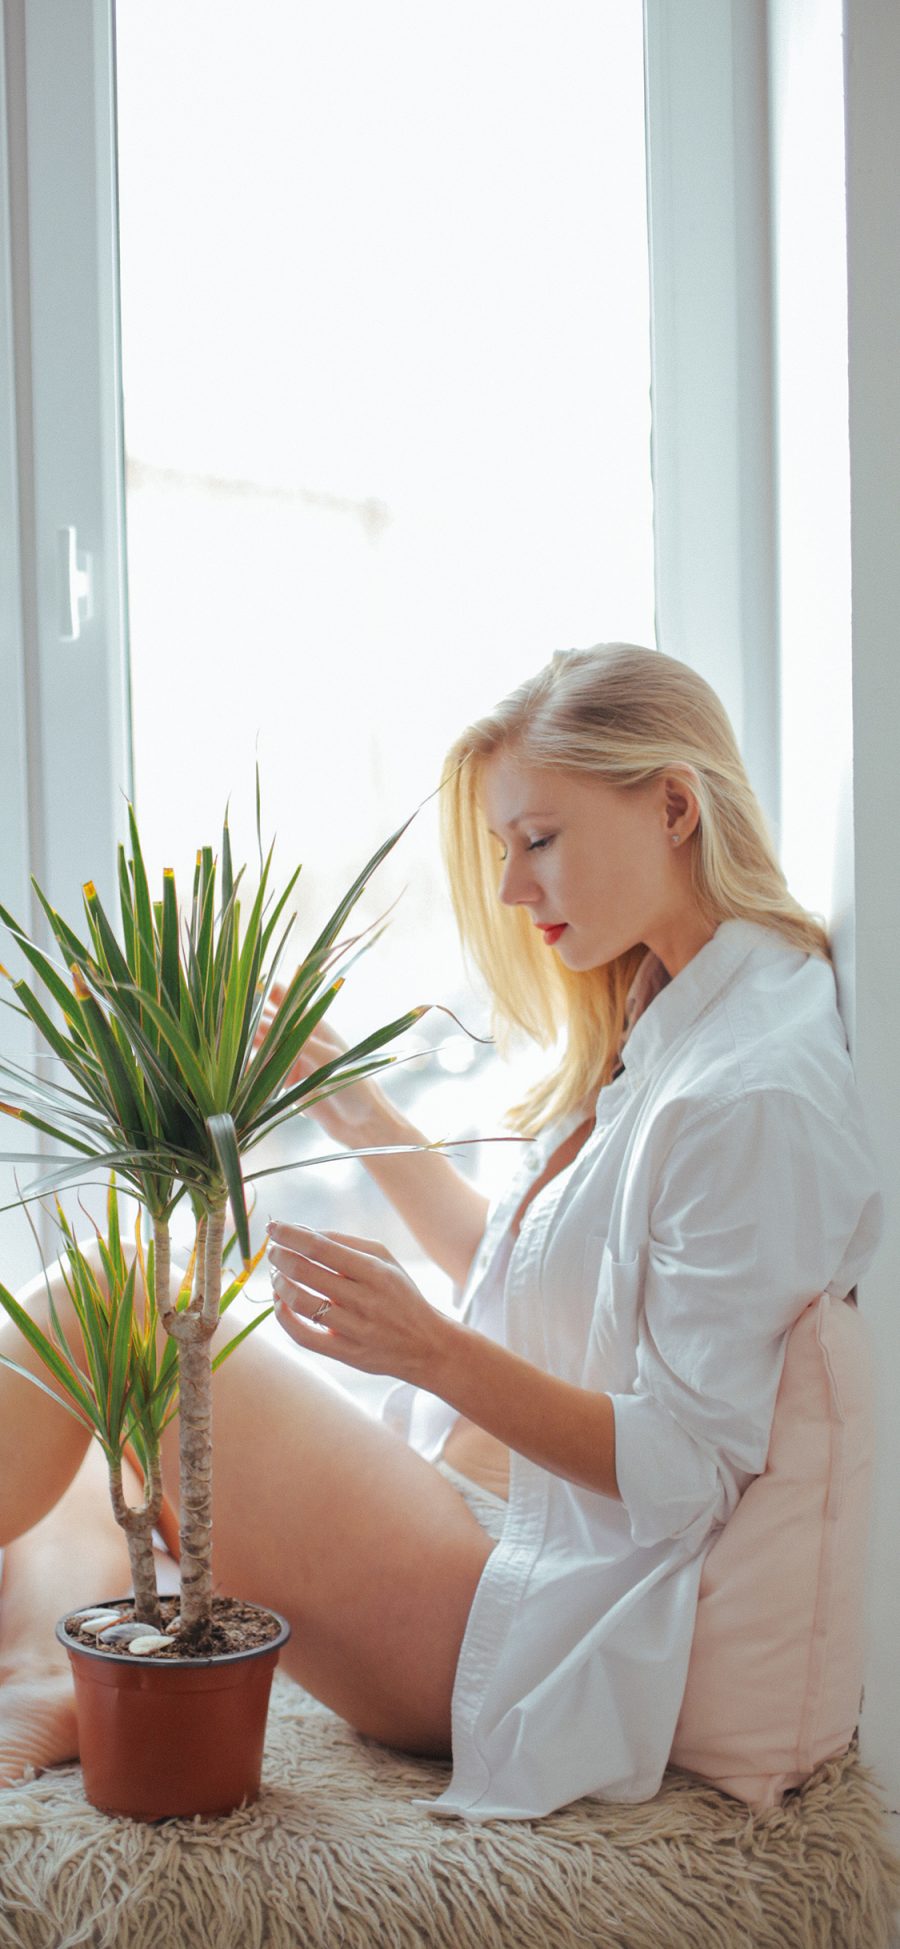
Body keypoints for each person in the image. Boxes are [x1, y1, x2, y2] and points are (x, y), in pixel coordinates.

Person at [0, 643, 883, 1819]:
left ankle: (47, 1667)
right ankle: (50, 1670)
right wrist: (354, 1107)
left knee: (120, 1299)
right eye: (505, 849)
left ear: (675, 804)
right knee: (99, 1413)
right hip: (464, 1522)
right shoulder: (676, 1013)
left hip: (505, 1602)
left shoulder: (752, 1090)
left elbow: (686, 1470)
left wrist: (428, 1348)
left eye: (541, 838)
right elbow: (537, 1284)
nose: (516, 889)